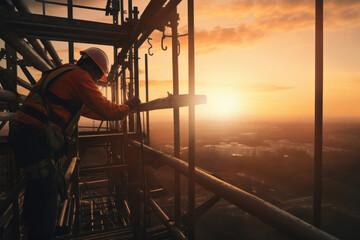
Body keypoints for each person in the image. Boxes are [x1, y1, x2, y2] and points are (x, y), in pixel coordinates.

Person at [8, 47, 139, 240]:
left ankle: (35, 229)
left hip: (27, 134)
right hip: (33, 137)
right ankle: (42, 234)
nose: (95, 82)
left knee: (37, 185)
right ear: (93, 69)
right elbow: (106, 110)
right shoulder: (80, 77)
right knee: (48, 189)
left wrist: (120, 112)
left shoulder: (65, 74)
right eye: (97, 77)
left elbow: (92, 110)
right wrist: (127, 107)